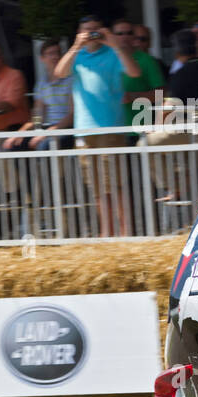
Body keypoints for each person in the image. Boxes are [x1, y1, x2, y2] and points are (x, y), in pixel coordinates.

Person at [54, 15, 141, 236]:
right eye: (87, 30)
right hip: (83, 129)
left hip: (110, 128)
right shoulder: (78, 55)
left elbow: (134, 72)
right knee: (97, 187)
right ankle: (106, 233)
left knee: (116, 184)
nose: (92, 34)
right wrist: (76, 45)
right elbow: (59, 73)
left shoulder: (113, 53)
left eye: (96, 30)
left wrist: (114, 44)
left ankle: (126, 233)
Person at [4, 41, 73, 149]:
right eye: (50, 53)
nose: (55, 56)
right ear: (42, 58)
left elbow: (71, 116)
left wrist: (46, 134)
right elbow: (38, 117)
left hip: (67, 128)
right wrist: (20, 133)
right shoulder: (41, 84)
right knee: (15, 145)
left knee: (44, 145)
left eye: (58, 53)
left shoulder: (71, 81)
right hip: (48, 128)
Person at [115, 18, 166, 117]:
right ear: (112, 36)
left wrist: (133, 96)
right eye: (120, 33)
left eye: (129, 33)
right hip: (110, 126)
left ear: (134, 37)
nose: (124, 37)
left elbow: (161, 94)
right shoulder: (107, 59)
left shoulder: (147, 60)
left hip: (139, 127)